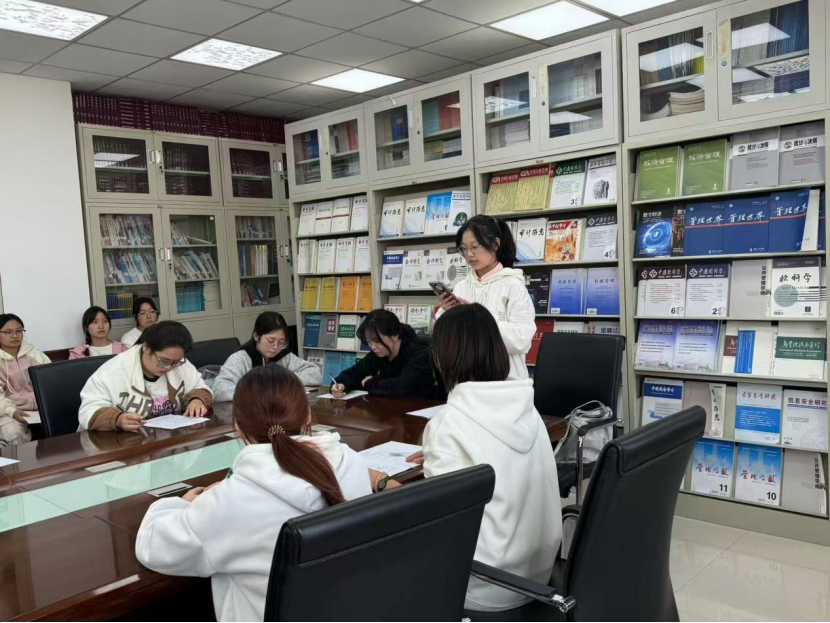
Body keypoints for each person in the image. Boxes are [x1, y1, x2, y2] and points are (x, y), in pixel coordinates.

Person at [135, 365, 373, 622]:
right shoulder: (350, 462)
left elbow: (153, 547)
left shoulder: (234, 500)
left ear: (238, 428)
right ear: (307, 416)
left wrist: (183, 504)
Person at [387, 304, 561, 613]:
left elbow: (438, 524)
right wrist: (440, 454)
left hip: (485, 584)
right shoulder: (527, 407)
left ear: (443, 356)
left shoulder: (448, 424)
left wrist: (383, 483)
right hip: (538, 572)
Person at [437, 214, 535, 380]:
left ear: (495, 244)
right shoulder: (462, 286)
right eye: (464, 248)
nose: (469, 254)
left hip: (505, 381)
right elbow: (449, 339)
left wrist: (478, 319)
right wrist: (444, 313)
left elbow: (522, 340)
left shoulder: (513, 285)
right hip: (466, 379)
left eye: (475, 247)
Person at [78, 321, 213, 432]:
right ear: (146, 347)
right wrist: (117, 419)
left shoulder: (179, 364)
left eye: (175, 362)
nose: (169, 367)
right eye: (164, 361)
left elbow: (200, 386)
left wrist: (196, 400)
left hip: (168, 441)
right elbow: (88, 412)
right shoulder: (112, 372)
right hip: (120, 446)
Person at [212, 312, 321, 402]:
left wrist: (282, 380)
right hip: (248, 414)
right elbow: (219, 389)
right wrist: (256, 391)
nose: (276, 347)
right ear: (256, 336)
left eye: (281, 342)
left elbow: (315, 374)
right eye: (270, 341)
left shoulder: (285, 356)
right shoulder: (240, 358)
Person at [331, 309, 436, 399]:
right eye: (369, 341)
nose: (373, 347)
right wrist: (340, 384)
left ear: (394, 335)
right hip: (388, 410)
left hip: (418, 410)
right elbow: (353, 373)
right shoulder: (377, 354)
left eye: (377, 340)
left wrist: (370, 383)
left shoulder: (419, 353)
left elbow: (405, 387)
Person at [0, 314, 50, 446]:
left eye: (19, 331)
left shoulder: (34, 354)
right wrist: (12, 411)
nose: (14, 335)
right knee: (13, 433)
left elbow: (52, 380)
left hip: (41, 408)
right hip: (9, 411)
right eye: (8, 332)